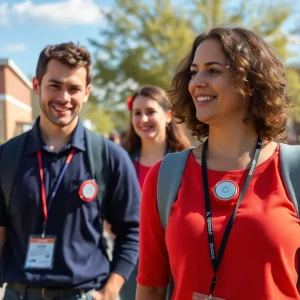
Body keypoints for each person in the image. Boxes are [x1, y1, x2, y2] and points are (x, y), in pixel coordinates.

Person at [136, 26, 300, 299]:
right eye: (193, 72)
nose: (197, 82)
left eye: (213, 70)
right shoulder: (164, 177)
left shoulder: (294, 171)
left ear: (250, 82)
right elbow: (151, 288)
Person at [0, 42, 140, 300]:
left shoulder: (109, 157)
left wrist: (109, 292)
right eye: (54, 85)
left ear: (86, 92)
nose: (64, 98)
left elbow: (133, 230)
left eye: (74, 88)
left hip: (84, 294)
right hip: (19, 294)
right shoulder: (6, 157)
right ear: (36, 85)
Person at [119, 85, 190, 299]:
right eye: (137, 113)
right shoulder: (124, 162)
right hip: (135, 264)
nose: (143, 119)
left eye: (150, 112)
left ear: (168, 116)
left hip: (180, 260)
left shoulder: (187, 162)